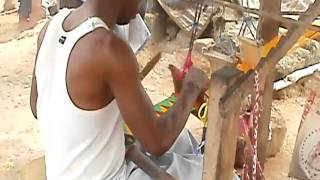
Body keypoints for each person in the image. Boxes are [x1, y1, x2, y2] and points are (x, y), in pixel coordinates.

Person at [30, 0, 209, 180]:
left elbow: (37, 107)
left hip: (64, 174)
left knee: (183, 141)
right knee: (214, 173)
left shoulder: (50, 28)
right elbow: (157, 141)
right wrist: (191, 89)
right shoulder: (108, 48)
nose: (141, 6)